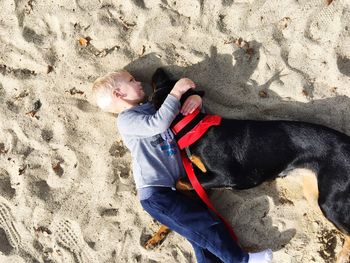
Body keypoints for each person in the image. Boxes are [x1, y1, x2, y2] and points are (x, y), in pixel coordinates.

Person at [92, 69, 273, 263]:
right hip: (157, 193)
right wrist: (176, 92)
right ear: (118, 94)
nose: (138, 82)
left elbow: (177, 117)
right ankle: (240, 260)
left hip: (175, 189)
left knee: (200, 235)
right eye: (131, 80)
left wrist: (195, 99)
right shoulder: (126, 120)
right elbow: (158, 124)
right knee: (205, 226)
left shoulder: (148, 109)